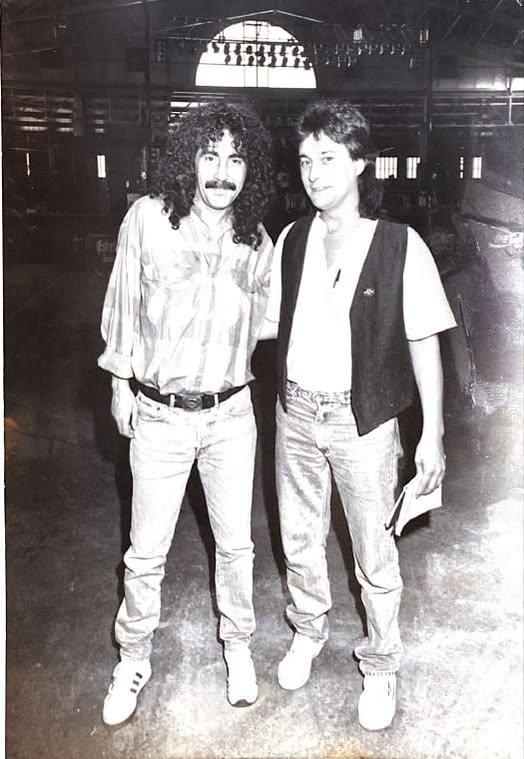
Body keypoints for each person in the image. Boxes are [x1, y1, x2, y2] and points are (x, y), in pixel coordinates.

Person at [264, 99, 456, 731]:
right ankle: (308, 630)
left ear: (358, 163)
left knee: (374, 554)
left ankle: (380, 665)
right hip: (295, 414)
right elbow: (265, 322)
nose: (314, 173)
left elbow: (425, 341)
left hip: (363, 422)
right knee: (299, 539)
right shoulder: (292, 239)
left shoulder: (400, 245)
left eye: (328, 158)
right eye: (305, 160)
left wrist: (432, 434)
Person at [98, 102, 275, 725]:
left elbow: (269, 323)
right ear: (189, 161)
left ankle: (238, 647)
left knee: (237, 546)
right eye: (210, 155)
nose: (223, 172)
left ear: (251, 170)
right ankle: (133, 658)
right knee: (146, 552)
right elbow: (122, 303)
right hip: (161, 415)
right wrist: (120, 385)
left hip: (231, 417)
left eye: (236, 159)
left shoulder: (257, 241)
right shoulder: (148, 219)